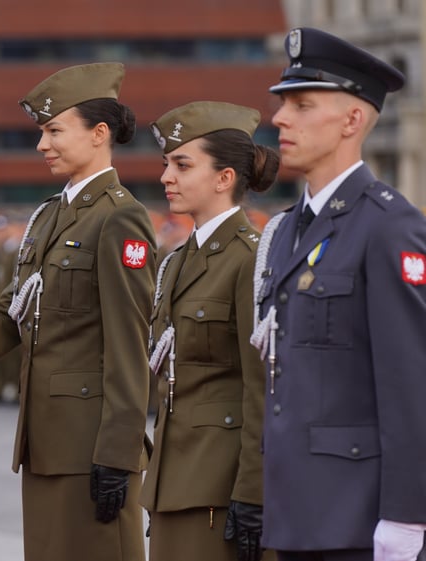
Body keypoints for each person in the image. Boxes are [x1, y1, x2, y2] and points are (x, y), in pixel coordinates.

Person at [0, 62, 156, 560]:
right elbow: (12, 309)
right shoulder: (52, 214)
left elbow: (131, 347)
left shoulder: (120, 217)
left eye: (54, 130)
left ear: (99, 134)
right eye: (41, 132)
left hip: (91, 450)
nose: (42, 144)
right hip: (48, 444)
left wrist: (118, 455)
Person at [251, 27, 426, 561]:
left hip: (358, 522)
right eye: (283, 104)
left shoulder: (388, 227)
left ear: (352, 120)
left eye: (303, 104)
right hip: (295, 512)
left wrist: (406, 518)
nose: (280, 118)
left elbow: (412, 385)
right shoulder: (286, 231)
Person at [139, 101, 279, 561]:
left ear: (225, 178)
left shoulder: (249, 258)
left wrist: (254, 493)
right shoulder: (176, 262)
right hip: (173, 482)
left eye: (182, 164)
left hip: (221, 489)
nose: (166, 177)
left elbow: (263, 388)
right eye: (166, 164)